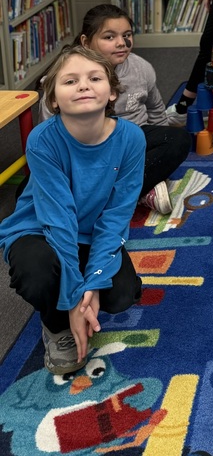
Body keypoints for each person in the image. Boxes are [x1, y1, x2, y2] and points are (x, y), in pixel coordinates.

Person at [0, 46, 145, 374]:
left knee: (121, 295)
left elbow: (117, 216)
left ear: (111, 92)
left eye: (94, 78)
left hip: (91, 233)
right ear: (52, 99)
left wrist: (91, 284)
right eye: (70, 81)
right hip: (40, 230)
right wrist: (71, 303)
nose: (83, 85)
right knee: (36, 273)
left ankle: (77, 295)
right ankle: (54, 326)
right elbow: (58, 220)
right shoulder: (42, 140)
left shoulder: (131, 139)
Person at [39, 4, 191, 215]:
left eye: (127, 35)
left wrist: (163, 150)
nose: (121, 43)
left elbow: (156, 109)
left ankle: (103, 198)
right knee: (29, 189)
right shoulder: (62, 78)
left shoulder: (141, 68)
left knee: (178, 140)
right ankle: (135, 191)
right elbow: (49, 134)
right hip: (86, 150)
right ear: (86, 42)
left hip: (134, 142)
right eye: (109, 37)